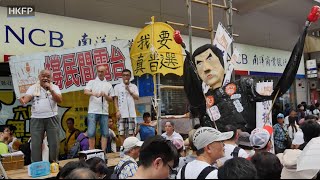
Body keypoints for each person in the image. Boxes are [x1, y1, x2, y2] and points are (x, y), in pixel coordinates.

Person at [19, 69, 62, 162]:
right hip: (36, 118)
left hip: (52, 117)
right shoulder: (33, 88)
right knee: (36, 144)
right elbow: (26, 99)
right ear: (39, 77)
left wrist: (50, 89)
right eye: (43, 76)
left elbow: (59, 100)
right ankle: (36, 165)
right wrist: (23, 100)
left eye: (48, 76)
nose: (45, 78)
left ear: (51, 78)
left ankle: (53, 164)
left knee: (54, 143)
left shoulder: (55, 87)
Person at [84, 65, 114, 156]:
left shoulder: (108, 84)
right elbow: (85, 91)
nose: (100, 73)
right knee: (91, 132)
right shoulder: (92, 82)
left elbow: (111, 99)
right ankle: (92, 152)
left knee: (105, 132)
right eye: (99, 71)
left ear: (105, 72)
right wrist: (94, 93)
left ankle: (103, 152)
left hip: (104, 111)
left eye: (102, 71)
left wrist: (105, 95)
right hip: (93, 110)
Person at [114, 69, 139, 145]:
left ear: (130, 76)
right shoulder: (117, 87)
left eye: (127, 75)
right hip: (122, 112)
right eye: (124, 75)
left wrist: (129, 90)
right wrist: (117, 110)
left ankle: (131, 148)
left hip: (131, 113)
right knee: (121, 132)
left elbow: (137, 97)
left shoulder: (133, 86)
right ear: (122, 76)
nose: (126, 77)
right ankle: (123, 149)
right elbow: (115, 99)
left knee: (131, 132)